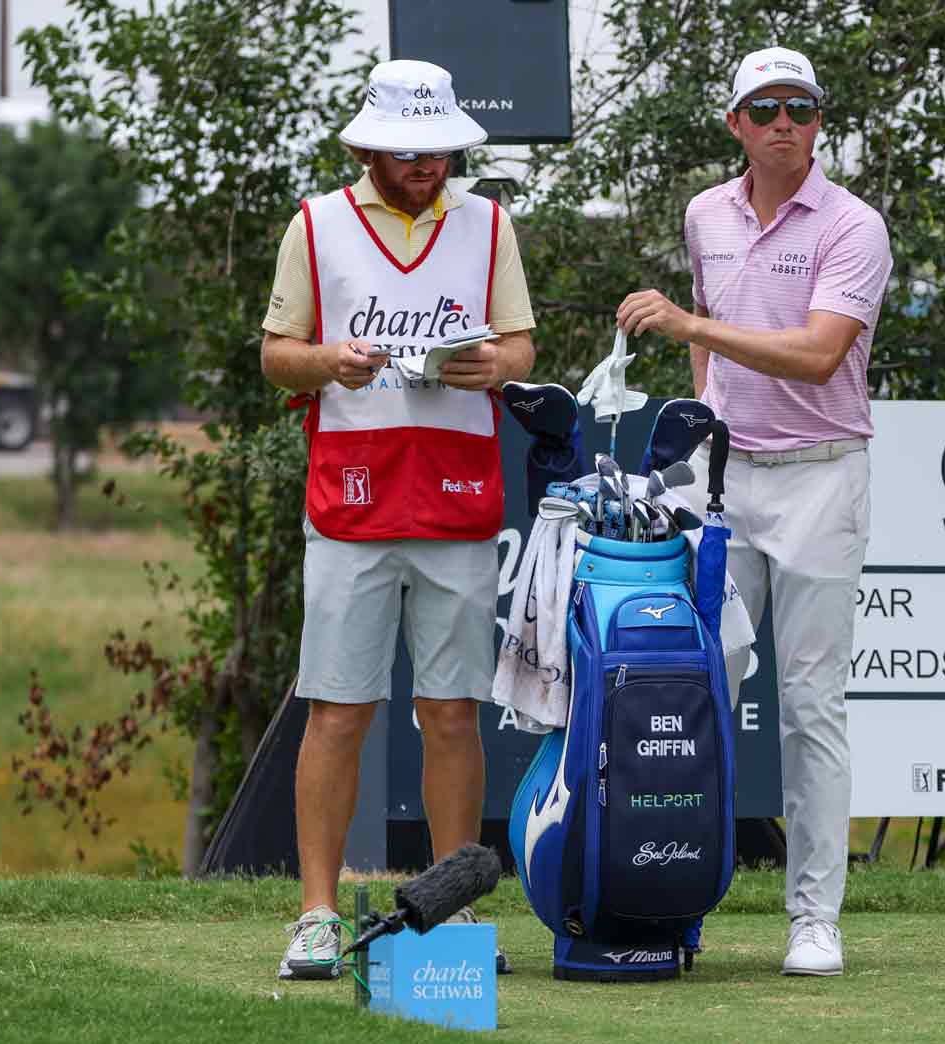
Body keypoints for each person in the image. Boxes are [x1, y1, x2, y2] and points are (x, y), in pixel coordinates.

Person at [615, 45, 891, 977]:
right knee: (699, 693)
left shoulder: (854, 226)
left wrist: (692, 330)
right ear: (735, 122)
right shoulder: (706, 214)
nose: (784, 123)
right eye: (766, 107)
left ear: (818, 123)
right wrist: (704, 418)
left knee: (811, 707)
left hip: (822, 477)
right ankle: (674, 896)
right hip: (727, 481)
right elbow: (709, 324)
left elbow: (817, 356)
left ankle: (815, 917)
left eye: (800, 108)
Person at [260, 58, 537, 981]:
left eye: (440, 151)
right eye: (410, 151)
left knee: (452, 714)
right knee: (338, 711)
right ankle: (315, 915)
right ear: (368, 148)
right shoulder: (316, 223)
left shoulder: (489, 223)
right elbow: (276, 356)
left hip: (458, 497)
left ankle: (452, 915)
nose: (427, 166)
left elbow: (521, 345)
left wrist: (495, 364)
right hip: (353, 499)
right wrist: (328, 361)